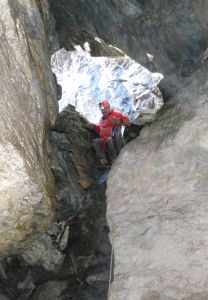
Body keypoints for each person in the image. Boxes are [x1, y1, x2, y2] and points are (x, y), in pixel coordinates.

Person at [92, 100, 130, 166]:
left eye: (106, 108)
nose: (105, 110)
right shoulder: (101, 120)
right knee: (96, 142)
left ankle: (114, 161)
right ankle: (103, 160)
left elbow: (127, 123)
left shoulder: (116, 114)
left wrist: (119, 121)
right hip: (104, 141)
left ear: (109, 107)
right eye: (103, 109)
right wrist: (94, 127)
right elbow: (100, 130)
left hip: (116, 140)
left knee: (110, 139)